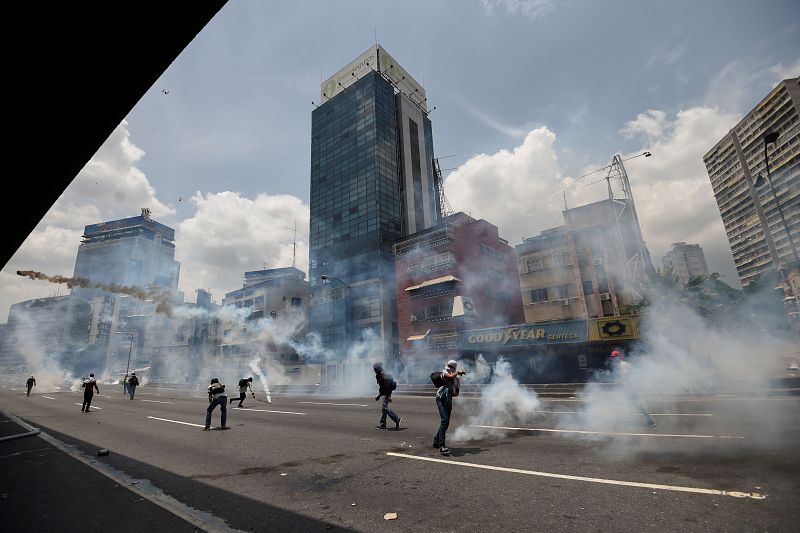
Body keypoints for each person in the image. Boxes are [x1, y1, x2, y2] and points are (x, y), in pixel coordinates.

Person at [611, 350, 656, 427]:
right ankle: (644, 420)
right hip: (632, 387)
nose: (613, 359)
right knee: (633, 404)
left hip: (631, 388)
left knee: (637, 405)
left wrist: (619, 382)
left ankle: (650, 421)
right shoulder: (625, 363)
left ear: (618, 357)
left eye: (614, 357)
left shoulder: (622, 364)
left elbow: (626, 374)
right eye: (613, 357)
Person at [433, 360, 466, 455]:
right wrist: (458, 372)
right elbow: (450, 376)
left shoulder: (457, 379)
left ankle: (436, 440)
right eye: (449, 366)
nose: (449, 368)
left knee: (446, 422)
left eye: (450, 367)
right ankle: (442, 445)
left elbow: (457, 393)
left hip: (448, 400)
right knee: (444, 420)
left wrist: (451, 392)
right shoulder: (444, 372)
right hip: (440, 398)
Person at [373, 363, 401, 430]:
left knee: (385, 408)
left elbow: (387, 388)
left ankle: (397, 419)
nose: (374, 370)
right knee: (384, 409)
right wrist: (379, 395)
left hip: (386, 393)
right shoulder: (379, 376)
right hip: (384, 393)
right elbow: (381, 387)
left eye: (375, 369)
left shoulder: (383, 377)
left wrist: (388, 396)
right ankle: (383, 424)